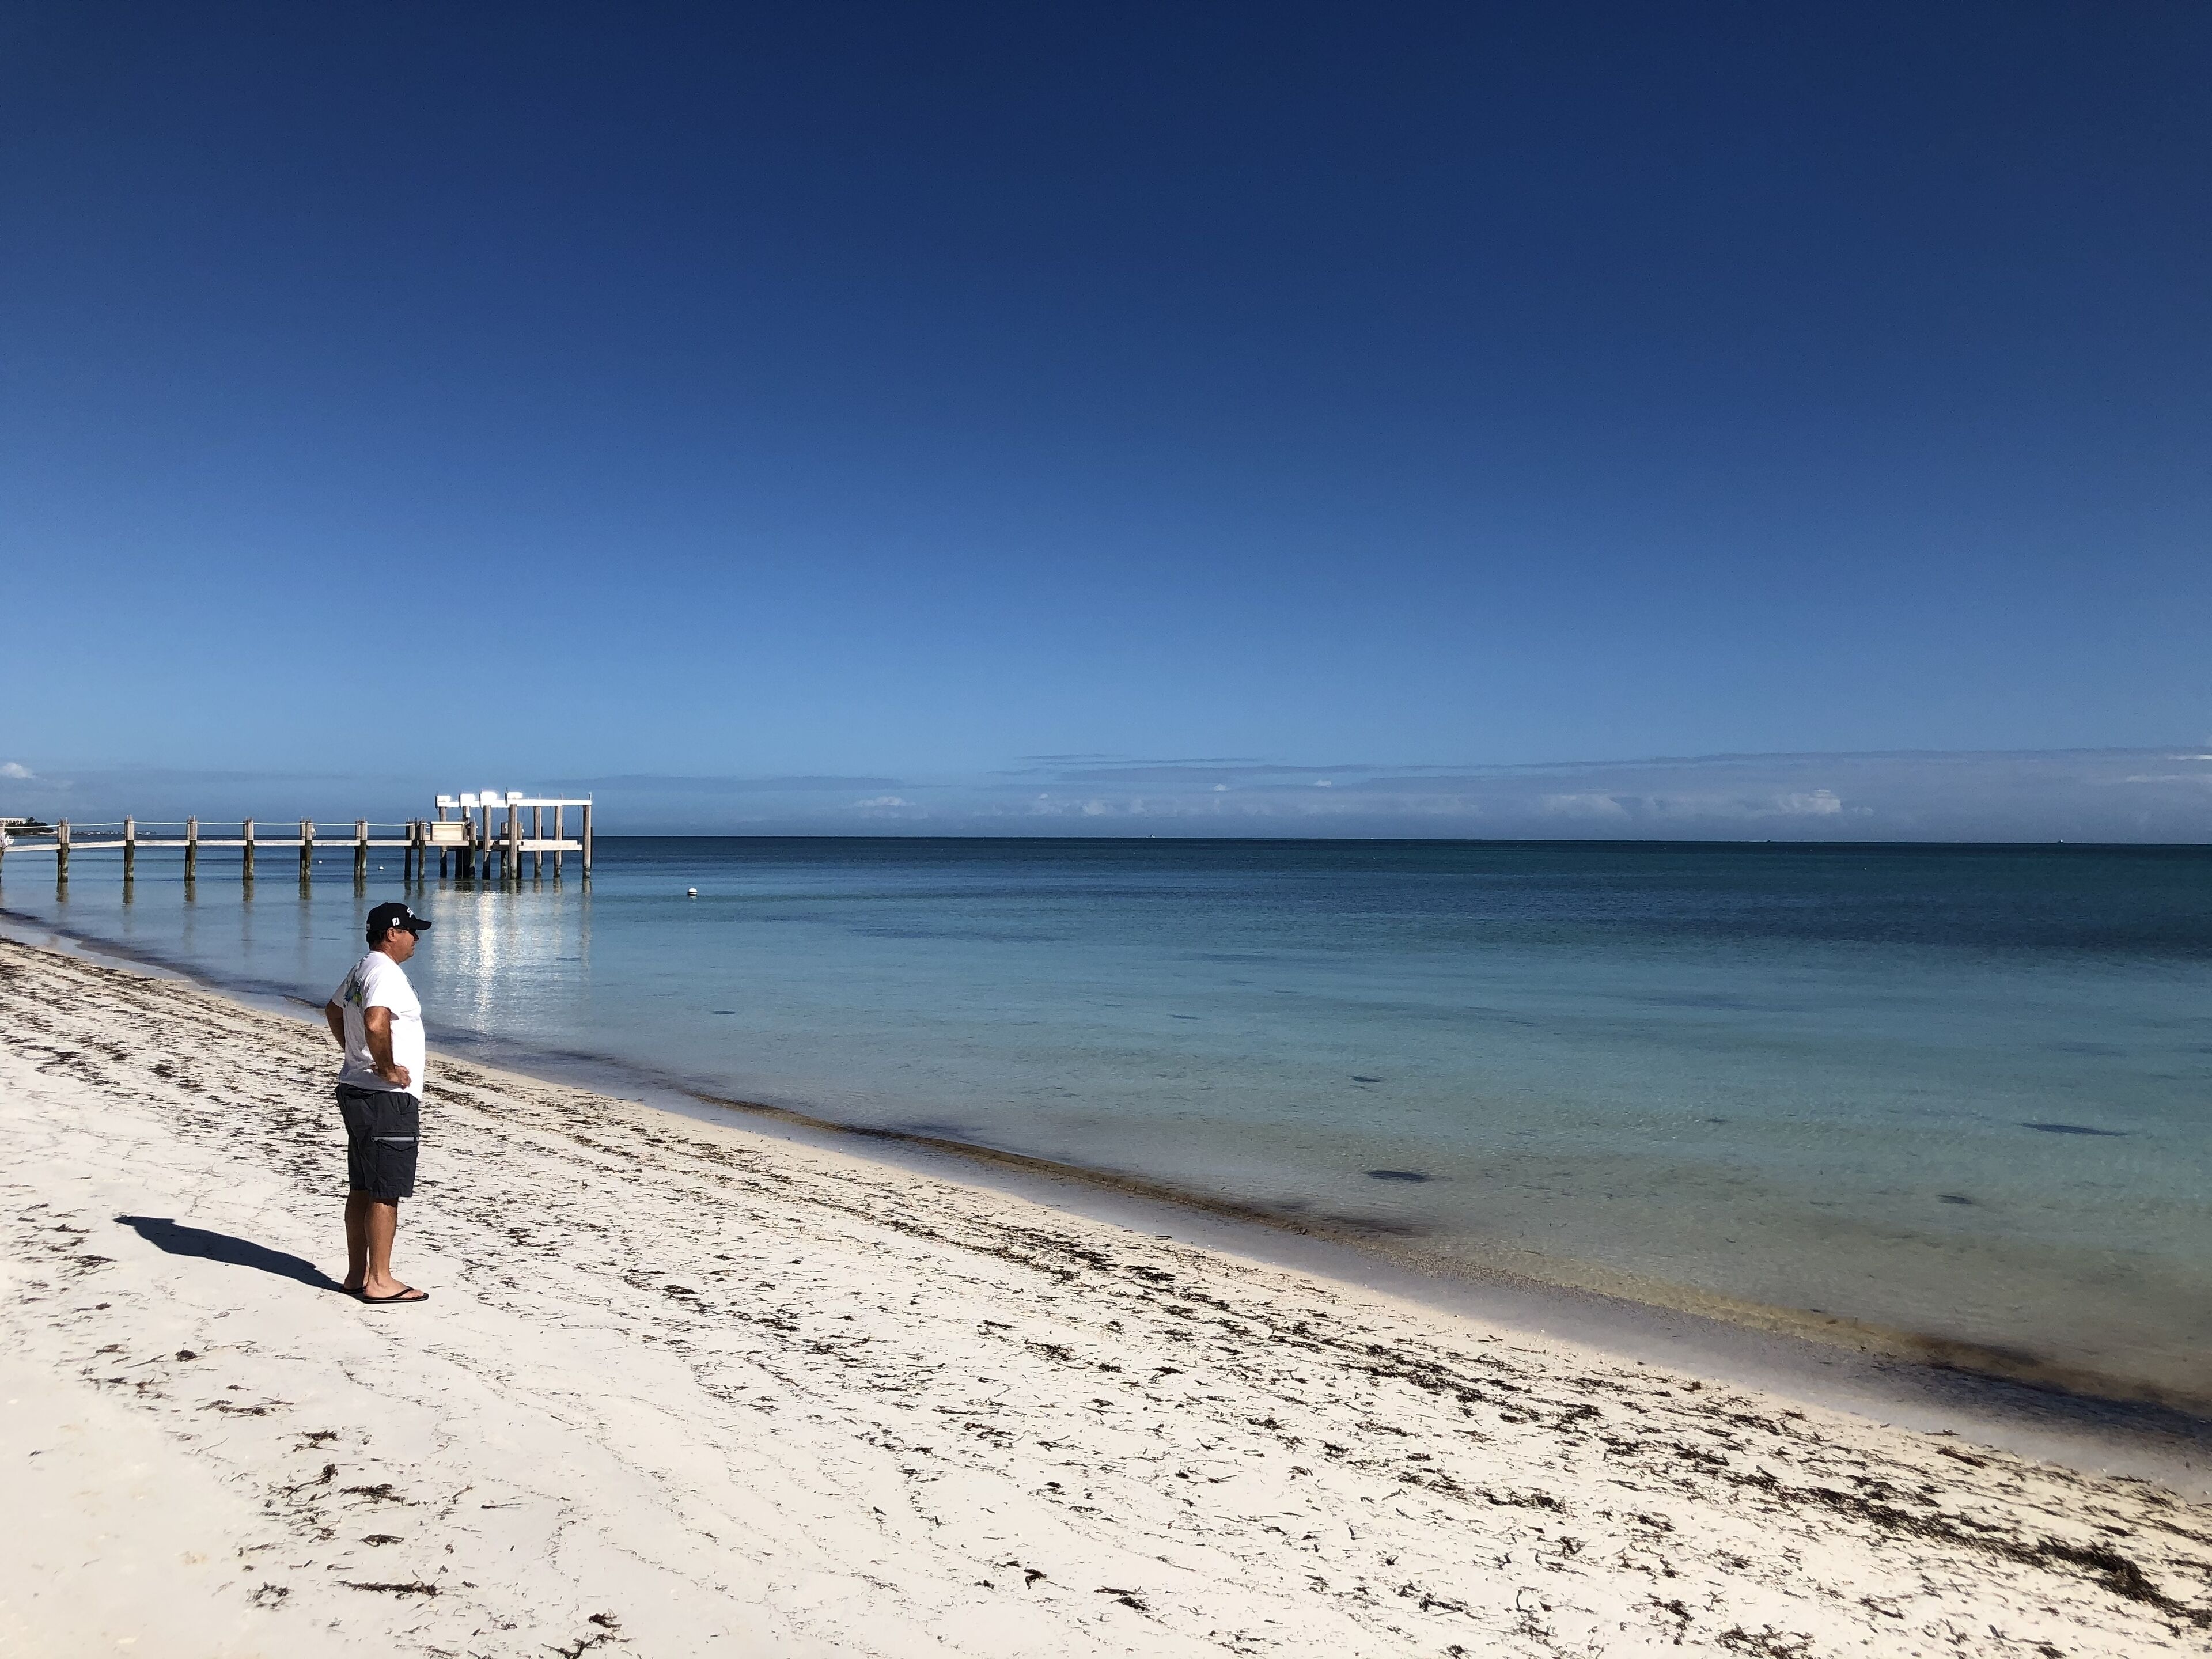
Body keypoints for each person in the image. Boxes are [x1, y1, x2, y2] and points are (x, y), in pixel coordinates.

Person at [324, 900, 434, 1305]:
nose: (416, 939)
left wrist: (355, 1056)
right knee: (385, 1189)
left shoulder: (362, 969)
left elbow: (334, 1012)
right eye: (410, 931)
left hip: (356, 1089)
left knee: (364, 1186)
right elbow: (375, 1021)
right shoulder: (385, 972)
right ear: (392, 934)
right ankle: (381, 1280)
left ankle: (358, 1274)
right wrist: (386, 1068)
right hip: (385, 1098)